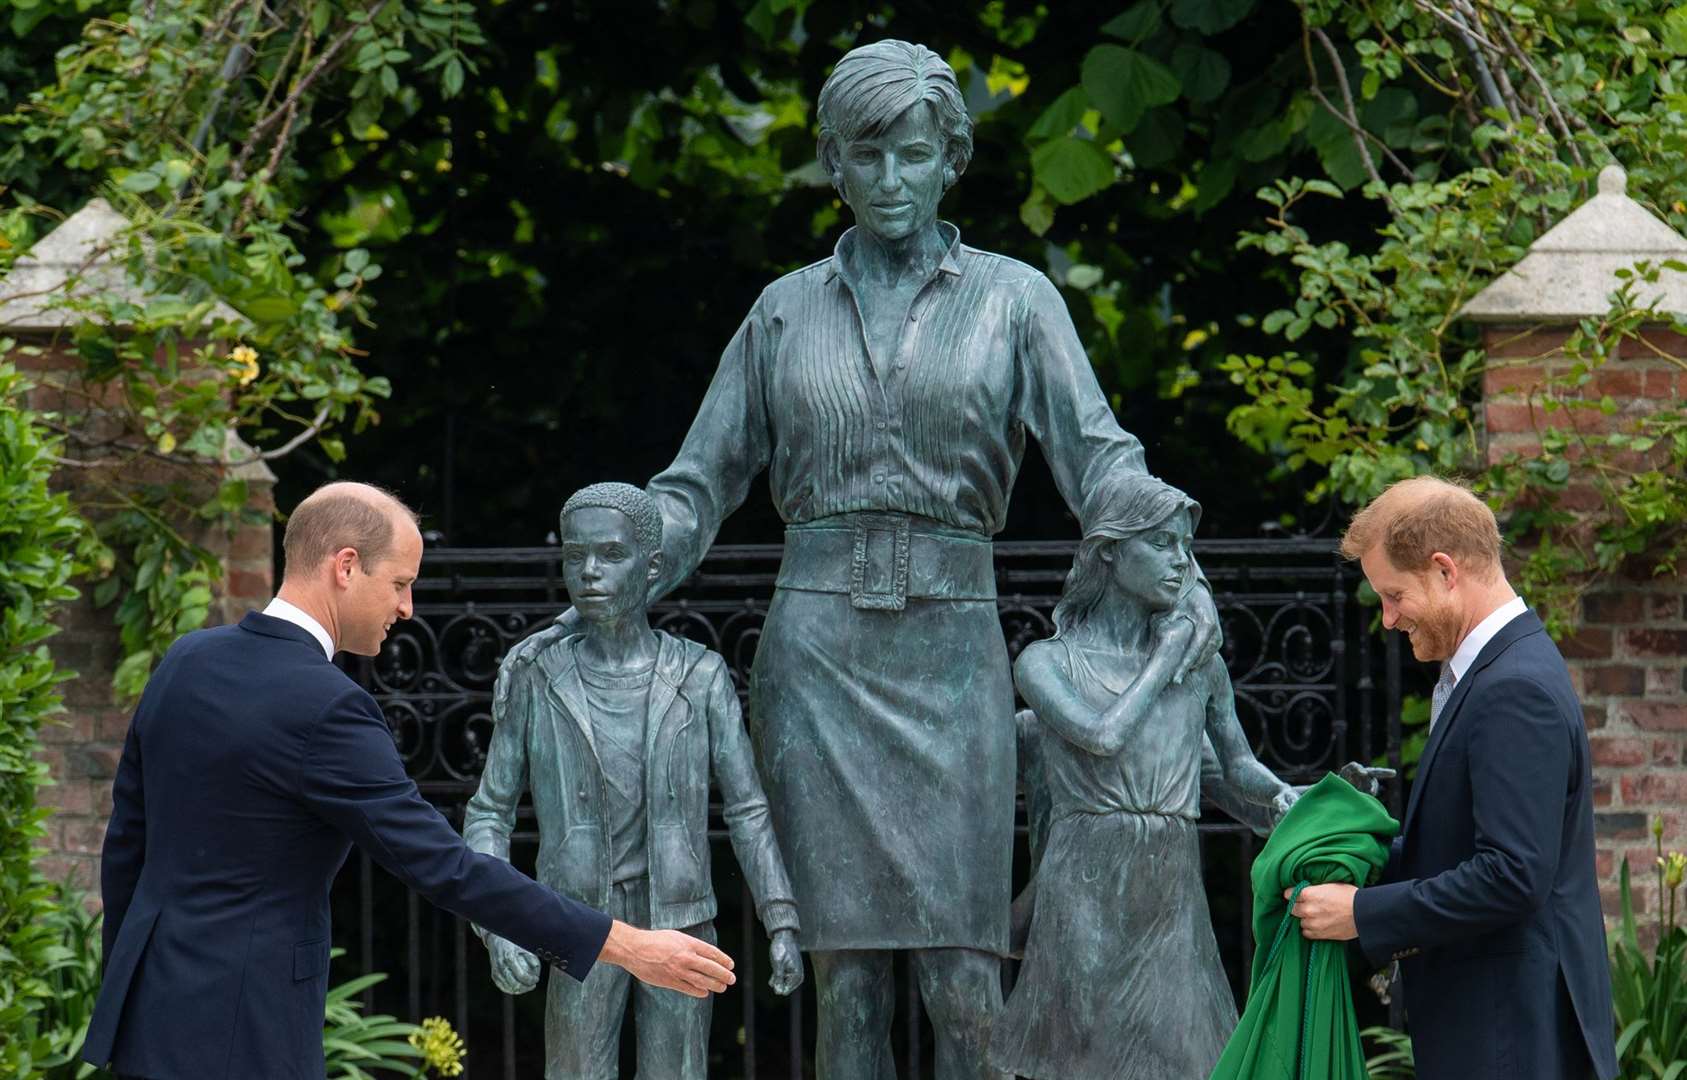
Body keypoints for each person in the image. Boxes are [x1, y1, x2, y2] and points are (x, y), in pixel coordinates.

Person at [497, 41, 1223, 1078]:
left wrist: (1175, 565)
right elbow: (697, 484)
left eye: (914, 155)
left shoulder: (1016, 302)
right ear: (832, 164)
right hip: (819, 660)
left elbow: (1097, 457)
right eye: (866, 157)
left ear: (950, 159)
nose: (891, 181)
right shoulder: (783, 311)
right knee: (846, 980)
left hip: (952, 649)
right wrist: (621, 562)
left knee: (965, 972)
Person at [83, 482, 736, 1080]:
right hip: (247, 1027)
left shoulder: (186, 661)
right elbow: (445, 867)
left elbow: (127, 844)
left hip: (149, 1011)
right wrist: (624, 943)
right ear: (344, 567)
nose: (407, 606)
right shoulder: (328, 707)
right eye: (399, 583)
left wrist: (127, 983)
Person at [464, 483, 804, 1079]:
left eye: (610, 555)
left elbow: (747, 809)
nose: (589, 572)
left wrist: (780, 917)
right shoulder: (538, 679)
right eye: (575, 556)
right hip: (575, 920)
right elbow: (490, 812)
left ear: (651, 568)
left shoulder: (700, 677)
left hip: (681, 917)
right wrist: (499, 926)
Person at [1291, 476, 1617, 1080]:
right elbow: (1463, 848)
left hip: (1513, 1039)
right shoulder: (1489, 671)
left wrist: (1363, 913)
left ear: (1445, 571)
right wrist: (1353, 858)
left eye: (1393, 595)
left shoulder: (1513, 687)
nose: (1387, 619)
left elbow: (1512, 875)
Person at [990, 470, 1295, 1080]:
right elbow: (1103, 737)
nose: (1181, 563)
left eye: (1186, 546)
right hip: (1085, 882)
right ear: (1109, 551)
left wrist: (1302, 796)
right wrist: (1164, 658)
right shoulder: (1048, 661)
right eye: (1161, 544)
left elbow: (1238, 770)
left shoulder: (1201, 669)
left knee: (1184, 1056)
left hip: (1169, 885)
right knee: (1080, 1056)